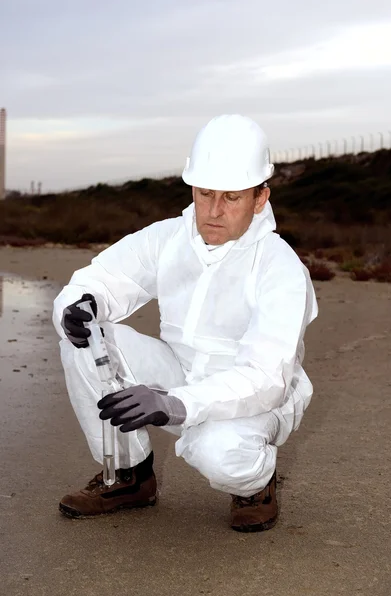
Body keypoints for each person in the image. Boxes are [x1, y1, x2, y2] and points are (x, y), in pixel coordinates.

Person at [52, 114, 318, 532]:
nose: (213, 211)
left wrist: (178, 405)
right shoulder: (169, 238)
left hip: (253, 398)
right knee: (88, 338)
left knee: (217, 452)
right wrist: (79, 303)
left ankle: (255, 485)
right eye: (204, 193)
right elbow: (103, 279)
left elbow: (267, 377)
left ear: (260, 197)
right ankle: (129, 476)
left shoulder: (280, 267)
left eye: (231, 197)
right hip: (178, 372)